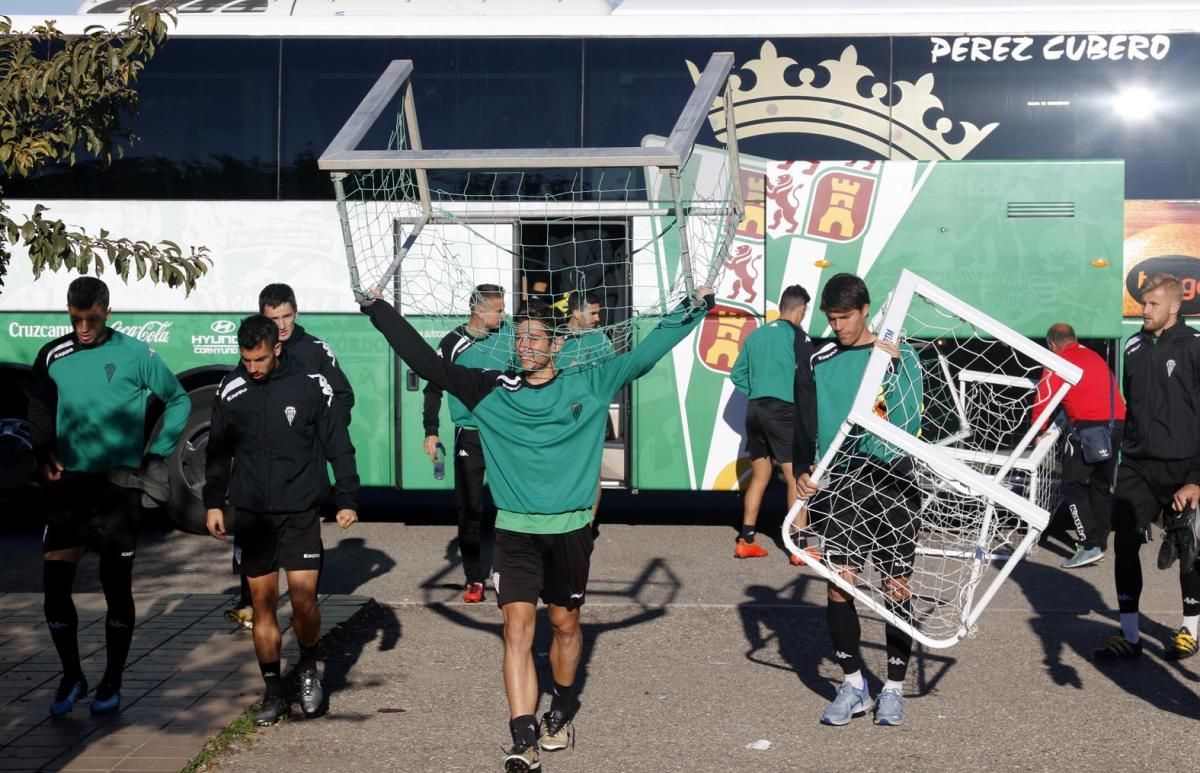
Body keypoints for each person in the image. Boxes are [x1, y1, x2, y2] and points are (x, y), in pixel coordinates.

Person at [360, 286, 713, 773]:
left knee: (566, 626)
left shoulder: (590, 383)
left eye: (533, 337)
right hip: (514, 532)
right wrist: (377, 309)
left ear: (556, 345)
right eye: (519, 337)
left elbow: (652, 349)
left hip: (570, 532)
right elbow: (425, 362)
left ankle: (563, 707)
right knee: (517, 630)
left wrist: (695, 306)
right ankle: (521, 736)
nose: (523, 345)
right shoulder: (488, 390)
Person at [28, 276, 191, 717]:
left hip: (118, 490)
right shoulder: (54, 354)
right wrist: (43, 449)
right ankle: (71, 675)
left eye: (91, 319)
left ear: (107, 311)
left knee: (115, 589)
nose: (83, 327)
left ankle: (112, 681)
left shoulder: (136, 354)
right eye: (75, 318)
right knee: (54, 588)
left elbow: (178, 400)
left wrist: (156, 454)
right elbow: (39, 405)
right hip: (69, 489)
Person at [203, 315, 360, 726]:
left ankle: (308, 668)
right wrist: (213, 502)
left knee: (305, 603)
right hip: (253, 516)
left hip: (300, 511)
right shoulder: (232, 388)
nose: (251, 368)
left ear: (276, 349)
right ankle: (273, 693)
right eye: (245, 360)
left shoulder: (311, 384)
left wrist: (347, 496)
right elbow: (217, 451)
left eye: (258, 359)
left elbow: (338, 443)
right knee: (263, 606)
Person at [794, 273, 922, 727]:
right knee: (839, 583)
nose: (839, 327)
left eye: (846, 317)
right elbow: (804, 423)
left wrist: (898, 366)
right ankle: (853, 686)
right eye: (831, 319)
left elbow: (911, 423)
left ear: (865, 310)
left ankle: (892, 689)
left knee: (895, 588)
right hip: (842, 484)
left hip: (892, 482)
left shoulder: (898, 355)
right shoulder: (819, 358)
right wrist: (802, 471)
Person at [223, 284, 358, 630]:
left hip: (302, 467)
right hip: (262, 475)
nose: (281, 324)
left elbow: (342, 396)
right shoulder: (256, 351)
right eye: (273, 318)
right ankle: (250, 604)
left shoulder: (315, 351)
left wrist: (320, 434)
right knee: (254, 528)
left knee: (301, 542)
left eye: (286, 317)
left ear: (296, 313)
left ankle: (302, 608)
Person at [1094, 273, 1200, 662]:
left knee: (1190, 548)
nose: (1145, 310)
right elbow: (1132, 409)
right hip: (1137, 464)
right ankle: (1130, 635)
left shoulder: (1193, 347)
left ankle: (1190, 629)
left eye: (1153, 304)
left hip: (1182, 466)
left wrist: (1196, 478)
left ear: (1174, 307)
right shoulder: (1134, 346)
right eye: (1143, 303)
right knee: (1124, 543)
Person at [422, 284, 510, 603]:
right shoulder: (453, 344)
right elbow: (433, 389)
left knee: (509, 507)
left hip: (503, 433)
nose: (504, 315)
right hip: (469, 435)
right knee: (470, 509)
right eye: (499, 310)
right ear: (480, 312)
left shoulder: (511, 334)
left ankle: (507, 572)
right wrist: (431, 431)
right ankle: (475, 578)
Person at [1032, 323, 1126, 569]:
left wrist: (1039, 431)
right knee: (1101, 485)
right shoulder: (1093, 356)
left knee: (1072, 485)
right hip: (1116, 423)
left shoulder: (1060, 360)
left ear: (1051, 345)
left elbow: (1043, 397)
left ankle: (1088, 545)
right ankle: (1100, 541)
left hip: (1089, 427)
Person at [729, 285, 809, 561]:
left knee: (761, 476)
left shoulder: (757, 335)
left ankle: (746, 539)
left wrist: (758, 390)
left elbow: (737, 375)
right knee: (797, 477)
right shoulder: (798, 337)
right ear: (801, 309)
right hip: (782, 411)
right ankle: (798, 548)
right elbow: (808, 379)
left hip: (755, 410)